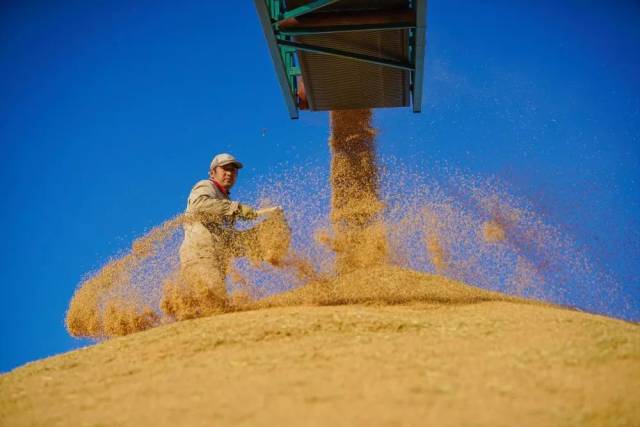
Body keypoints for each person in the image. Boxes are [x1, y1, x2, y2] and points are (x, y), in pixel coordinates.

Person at [170, 153, 282, 318]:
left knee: (213, 305)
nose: (230, 173)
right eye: (225, 168)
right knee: (215, 301)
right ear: (212, 172)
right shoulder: (207, 186)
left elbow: (228, 240)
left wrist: (258, 238)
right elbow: (199, 205)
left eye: (234, 170)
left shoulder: (224, 199)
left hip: (214, 259)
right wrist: (236, 209)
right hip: (199, 255)